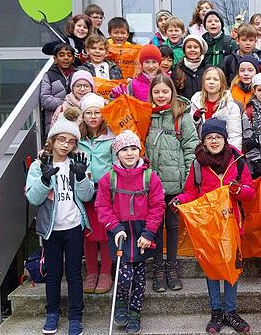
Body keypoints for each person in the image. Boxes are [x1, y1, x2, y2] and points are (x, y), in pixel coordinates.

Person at [170, 119, 255, 334]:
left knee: (232, 269)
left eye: (218, 137)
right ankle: (216, 312)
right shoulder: (198, 164)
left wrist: (237, 190)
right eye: (209, 138)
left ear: (225, 139)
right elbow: (192, 191)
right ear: (203, 141)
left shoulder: (238, 161)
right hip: (208, 226)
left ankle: (231, 311)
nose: (214, 141)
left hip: (232, 223)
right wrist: (181, 199)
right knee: (212, 270)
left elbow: (250, 191)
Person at [25, 107, 94, 335]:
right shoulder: (39, 165)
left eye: (71, 141)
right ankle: (52, 313)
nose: (66, 145)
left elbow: (86, 196)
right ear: (52, 140)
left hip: (73, 226)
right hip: (51, 229)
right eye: (61, 140)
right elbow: (32, 197)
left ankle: (76, 317)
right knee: (53, 274)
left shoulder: (77, 163)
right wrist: (45, 179)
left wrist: (82, 176)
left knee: (74, 273)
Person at [95, 130, 165, 334]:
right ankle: (121, 303)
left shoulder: (150, 177)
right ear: (117, 153)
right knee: (124, 276)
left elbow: (158, 205)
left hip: (143, 234)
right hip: (121, 235)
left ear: (140, 151)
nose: (129, 153)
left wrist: (149, 232)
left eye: (133, 148)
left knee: (140, 278)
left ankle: (135, 312)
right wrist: (115, 227)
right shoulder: (109, 179)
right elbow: (102, 207)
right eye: (124, 149)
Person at [145, 74, 199, 293]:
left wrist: (187, 179)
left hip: (175, 183)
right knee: (155, 226)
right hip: (152, 184)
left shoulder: (181, 116)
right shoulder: (145, 114)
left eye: (164, 91)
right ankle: (158, 268)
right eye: (156, 92)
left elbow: (191, 148)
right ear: (151, 93)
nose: (160, 96)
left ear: (172, 92)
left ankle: (172, 266)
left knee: (173, 226)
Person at [77, 93, 115, 295]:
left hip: (105, 192)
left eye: (97, 112)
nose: (93, 117)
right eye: (88, 113)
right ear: (82, 116)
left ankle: (106, 273)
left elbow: (116, 164)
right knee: (89, 233)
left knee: (105, 232)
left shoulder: (110, 136)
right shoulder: (77, 138)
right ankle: (91, 272)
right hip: (84, 191)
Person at [190, 66, 243, 151]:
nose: (211, 82)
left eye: (215, 79)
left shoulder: (231, 106)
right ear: (203, 82)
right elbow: (189, 132)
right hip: (201, 150)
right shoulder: (196, 101)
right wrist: (195, 119)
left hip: (223, 152)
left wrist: (232, 156)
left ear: (222, 83)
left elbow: (235, 135)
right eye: (208, 79)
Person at [41, 43, 77, 133]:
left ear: (73, 59)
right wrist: (66, 105)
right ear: (55, 59)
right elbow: (45, 99)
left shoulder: (78, 74)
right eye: (61, 55)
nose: (65, 58)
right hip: (55, 120)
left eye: (69, 55)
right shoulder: (49, 75)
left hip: (76, 119)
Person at [172, 34, 209, 100]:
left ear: (201, 50)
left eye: (195, 47)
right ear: (184, 50)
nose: (192, 50)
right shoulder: (177, 69)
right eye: (189, 47)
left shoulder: (208, 69)